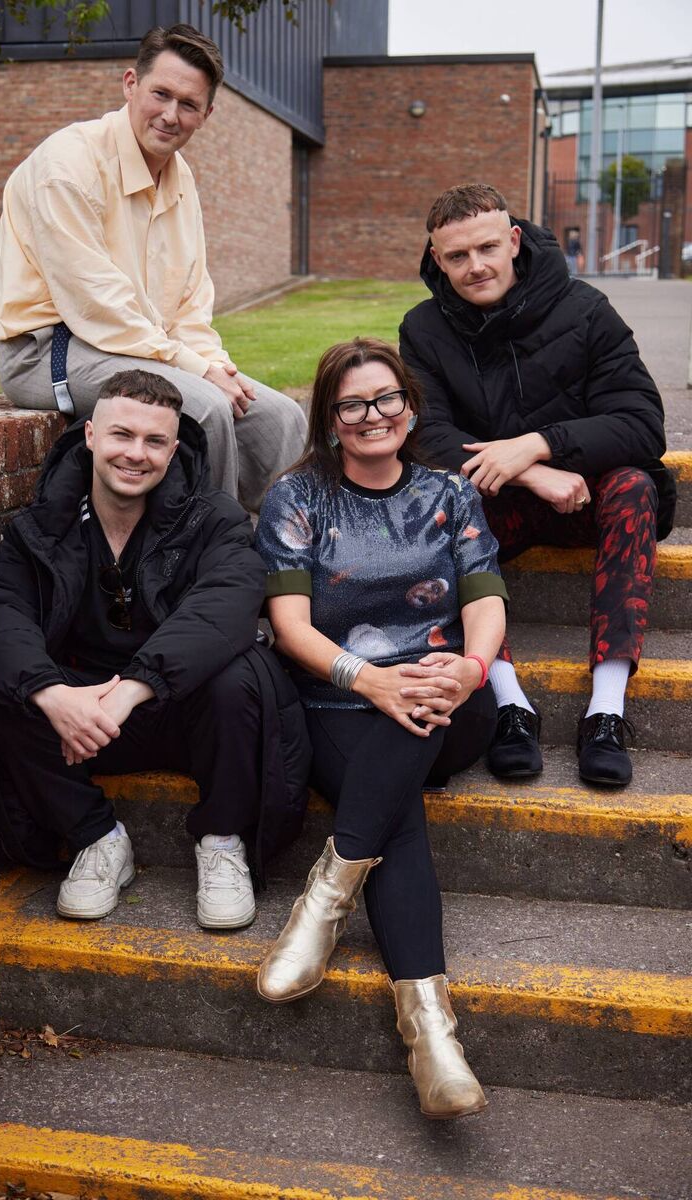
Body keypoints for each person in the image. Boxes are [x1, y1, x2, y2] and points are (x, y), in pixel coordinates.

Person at [253, 338, 507, 1120]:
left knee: (424, 702)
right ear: (330, 420)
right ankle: (432, 1037)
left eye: (386, 399)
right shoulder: (296, 496)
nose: (373, 416)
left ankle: (326, 898)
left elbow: (486, 604)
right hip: (337, 703)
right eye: (353, 405)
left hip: (448, 699)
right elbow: (291, 626)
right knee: (400, 806)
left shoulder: (450, 493)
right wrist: (369, 678)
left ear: (410, 406)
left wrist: (468, 670)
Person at [0, 369, 310, 926]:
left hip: (184, 710)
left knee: (241, 673)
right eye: (122, 435)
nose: (136, 454)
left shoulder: (213, 518)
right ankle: (97, 838)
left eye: (154, 441)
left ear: (173, 452)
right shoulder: (43, 526)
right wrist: (52, 694)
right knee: (4, 683)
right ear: (91, 436)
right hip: (84, 720)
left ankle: (222, 841)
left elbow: (225, 605)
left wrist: (131, 690)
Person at [400, 183, 675, 788]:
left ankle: (606, 710)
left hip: (588, 500)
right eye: (455, 257)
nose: (474, 267)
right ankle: (508, 704)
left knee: (634, 485)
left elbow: (641, 422)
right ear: (436, 259)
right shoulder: (423, 328)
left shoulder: (585, 308)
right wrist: (527, 470)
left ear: (514, 240)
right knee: (441, 502)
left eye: (487, 248)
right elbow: (427, 434)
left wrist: (539, 442)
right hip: (497, 508)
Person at [0, 23, 307, 513]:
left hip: (140, 348)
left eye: (189, 104)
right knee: (207, 408)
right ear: (131, 84)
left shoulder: (180, 177)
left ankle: (285, 558)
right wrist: (197, 371)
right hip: (49, 350)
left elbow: (190, 301)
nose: (171, 115)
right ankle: (212, 558)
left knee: (280, 417)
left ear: (207, 114)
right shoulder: (68, 166)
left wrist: (213, 363)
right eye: (161, 94)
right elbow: (99, 307)